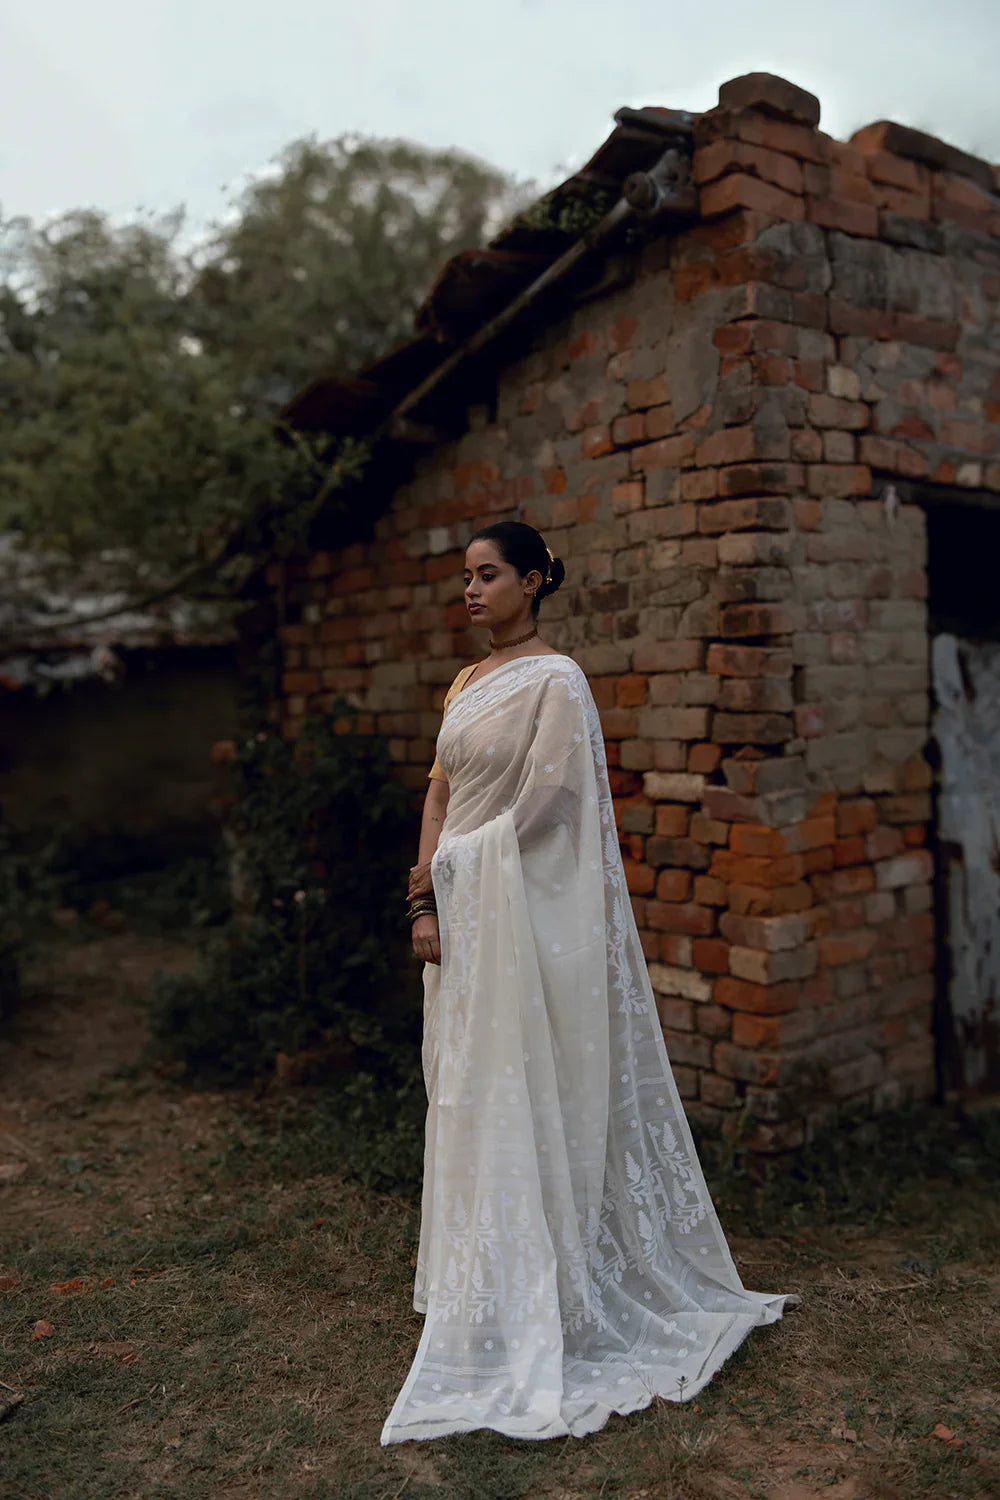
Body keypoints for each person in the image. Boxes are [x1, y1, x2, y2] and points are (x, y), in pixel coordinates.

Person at [381, 521, 795, 1445]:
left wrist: (455, 873)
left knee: (534, 1086)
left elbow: (553, 801)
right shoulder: (466, 684)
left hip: (522, 920)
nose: (471, 591)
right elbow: (440, 797)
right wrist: (424, 903)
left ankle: (557, 1287)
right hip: (463, 916)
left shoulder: (556, 680)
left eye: (488, 576)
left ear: (534, 581)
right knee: (467, 1090)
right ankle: (481, 1285)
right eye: (464, 579)